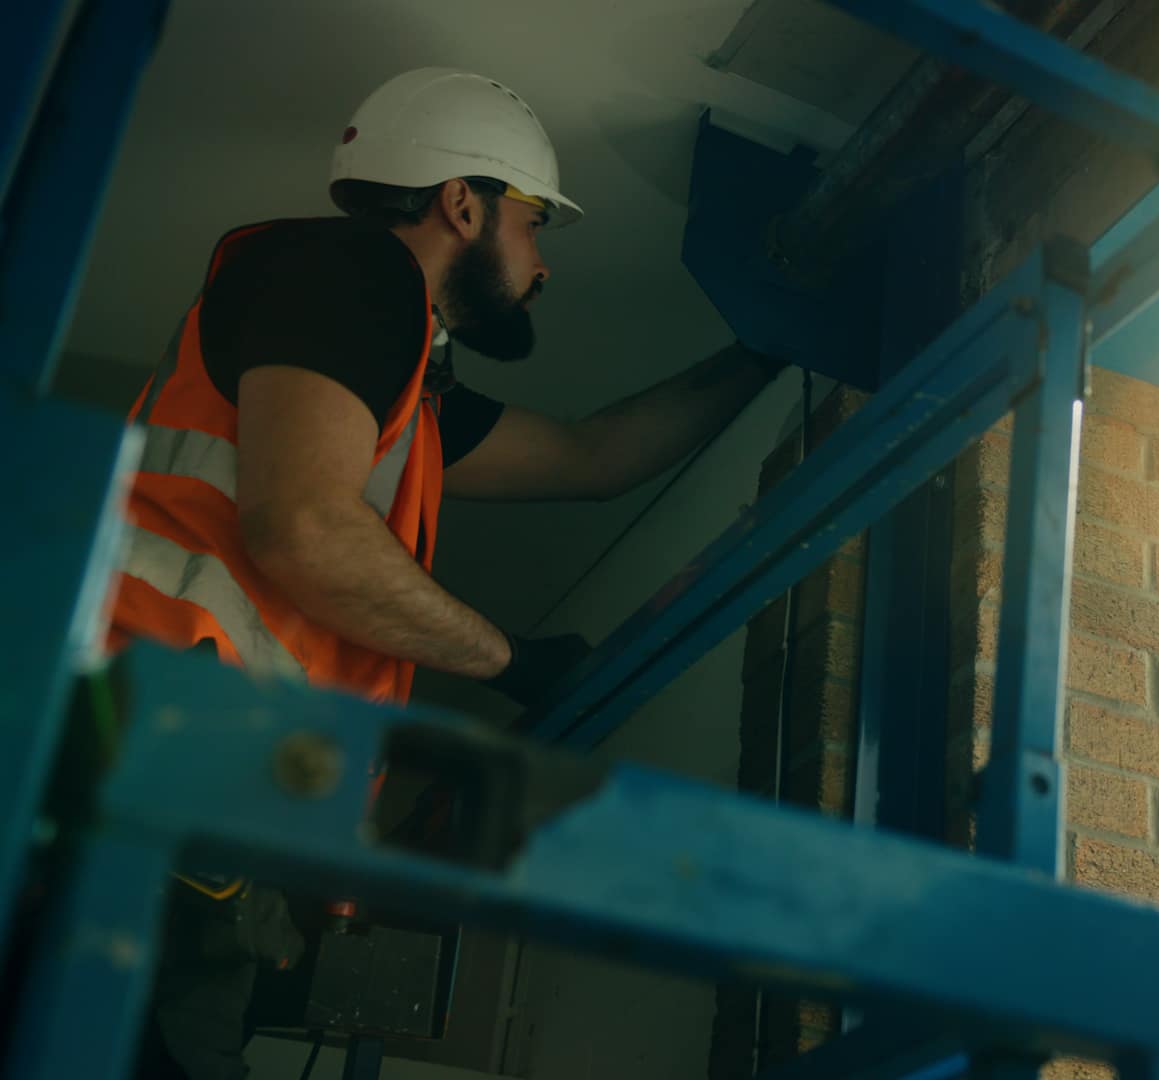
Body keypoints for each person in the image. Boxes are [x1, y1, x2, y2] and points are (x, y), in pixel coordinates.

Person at [111, 68, 784, 1078]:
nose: (543, 264)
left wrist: (764, 352)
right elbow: (302, 528)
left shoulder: (396, 387)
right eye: (536, 224)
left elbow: (595, 458)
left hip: (188, 768)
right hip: (157, 743)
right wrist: (509, 660)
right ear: (461, 202)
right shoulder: (357, 275)